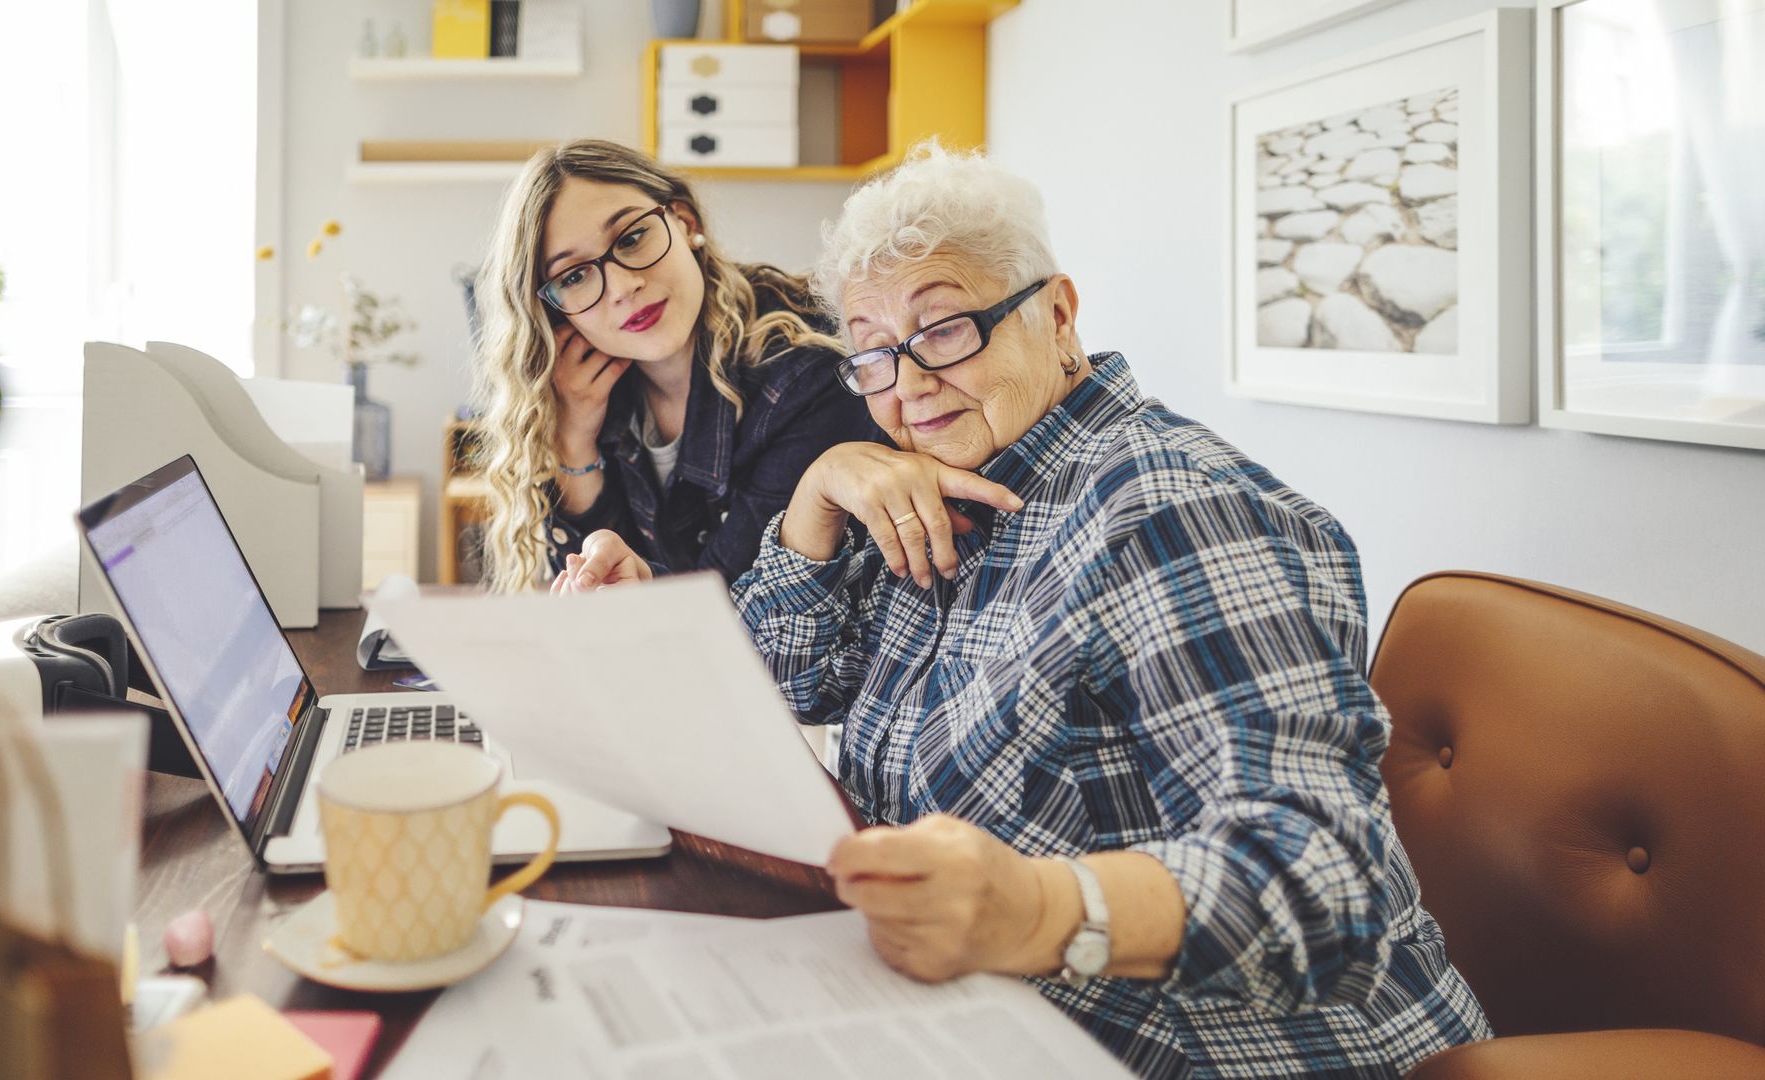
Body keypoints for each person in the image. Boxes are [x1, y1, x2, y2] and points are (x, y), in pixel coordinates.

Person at [556, 144, 1492, 1077]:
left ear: (1056, 315)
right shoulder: (964, 485)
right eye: (873, 355)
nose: (909, 384)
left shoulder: (1166, 508)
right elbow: (795, 681)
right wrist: (814, 504)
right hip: (984, 1017)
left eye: (946, 328)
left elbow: (1331, 877)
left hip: (1204, 1051)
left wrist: (1040, 908)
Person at [470, 139, 876, 590]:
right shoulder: (586, 388)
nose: (623, 286)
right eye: (574, 276)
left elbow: (733, 606)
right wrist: (574, 443)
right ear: (553, 310)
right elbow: (601, 589)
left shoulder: (803, 375)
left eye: (631, 237)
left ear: (685, 223)